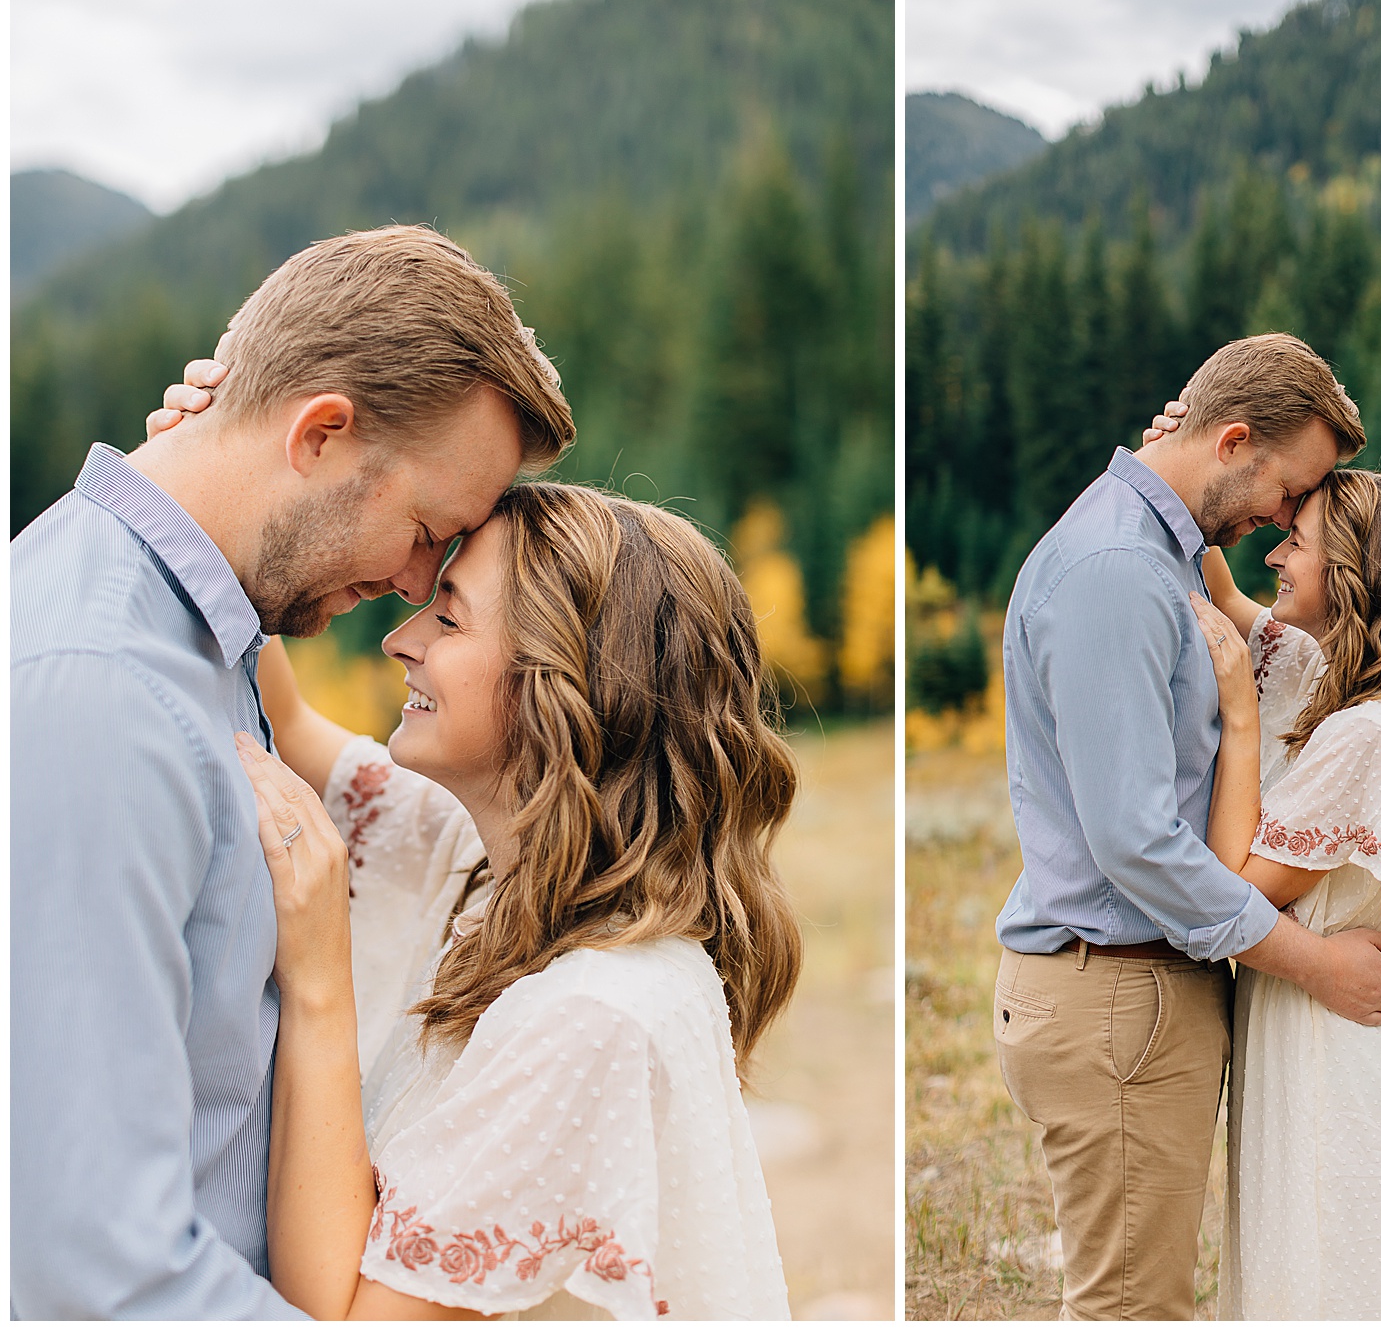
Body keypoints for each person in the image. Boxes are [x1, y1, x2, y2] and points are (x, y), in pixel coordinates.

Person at [11, 224, 574, 1319]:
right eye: (424, 530)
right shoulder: (99, 691)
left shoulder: (202, 642)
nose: (418, 583)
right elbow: (93, 1273)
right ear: (319, 433)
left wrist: (193, 464)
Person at [233, 481, 801, 1318]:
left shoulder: (595, 1016)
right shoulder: (487, 861)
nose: (398, 639)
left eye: (449, 618)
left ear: (568, 687)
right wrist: (232, 487)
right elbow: (281, 721)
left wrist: (318, 983)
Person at [991, 333, 1381, 1320]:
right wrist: (1316, 962)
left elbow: (1267, 648)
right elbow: (1137, 841)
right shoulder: (1117, 573)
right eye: (1290, 489)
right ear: (1229, 441)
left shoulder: (1157, 552)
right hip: (1116, 992)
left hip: (1132, 992)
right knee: (1135, 1309)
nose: (1288, 516)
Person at [1181, 467, 1381, 1318]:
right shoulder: (1354, 691)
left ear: (1352, 575)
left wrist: (1239, 713)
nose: (1276, 553)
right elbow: (1235, 609)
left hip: (1328, 1057)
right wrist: (1182, 464)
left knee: (1324, 1282)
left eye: (1298, 542)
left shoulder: (1363, 734)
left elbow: (1231, 887)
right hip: (1312, 1030)